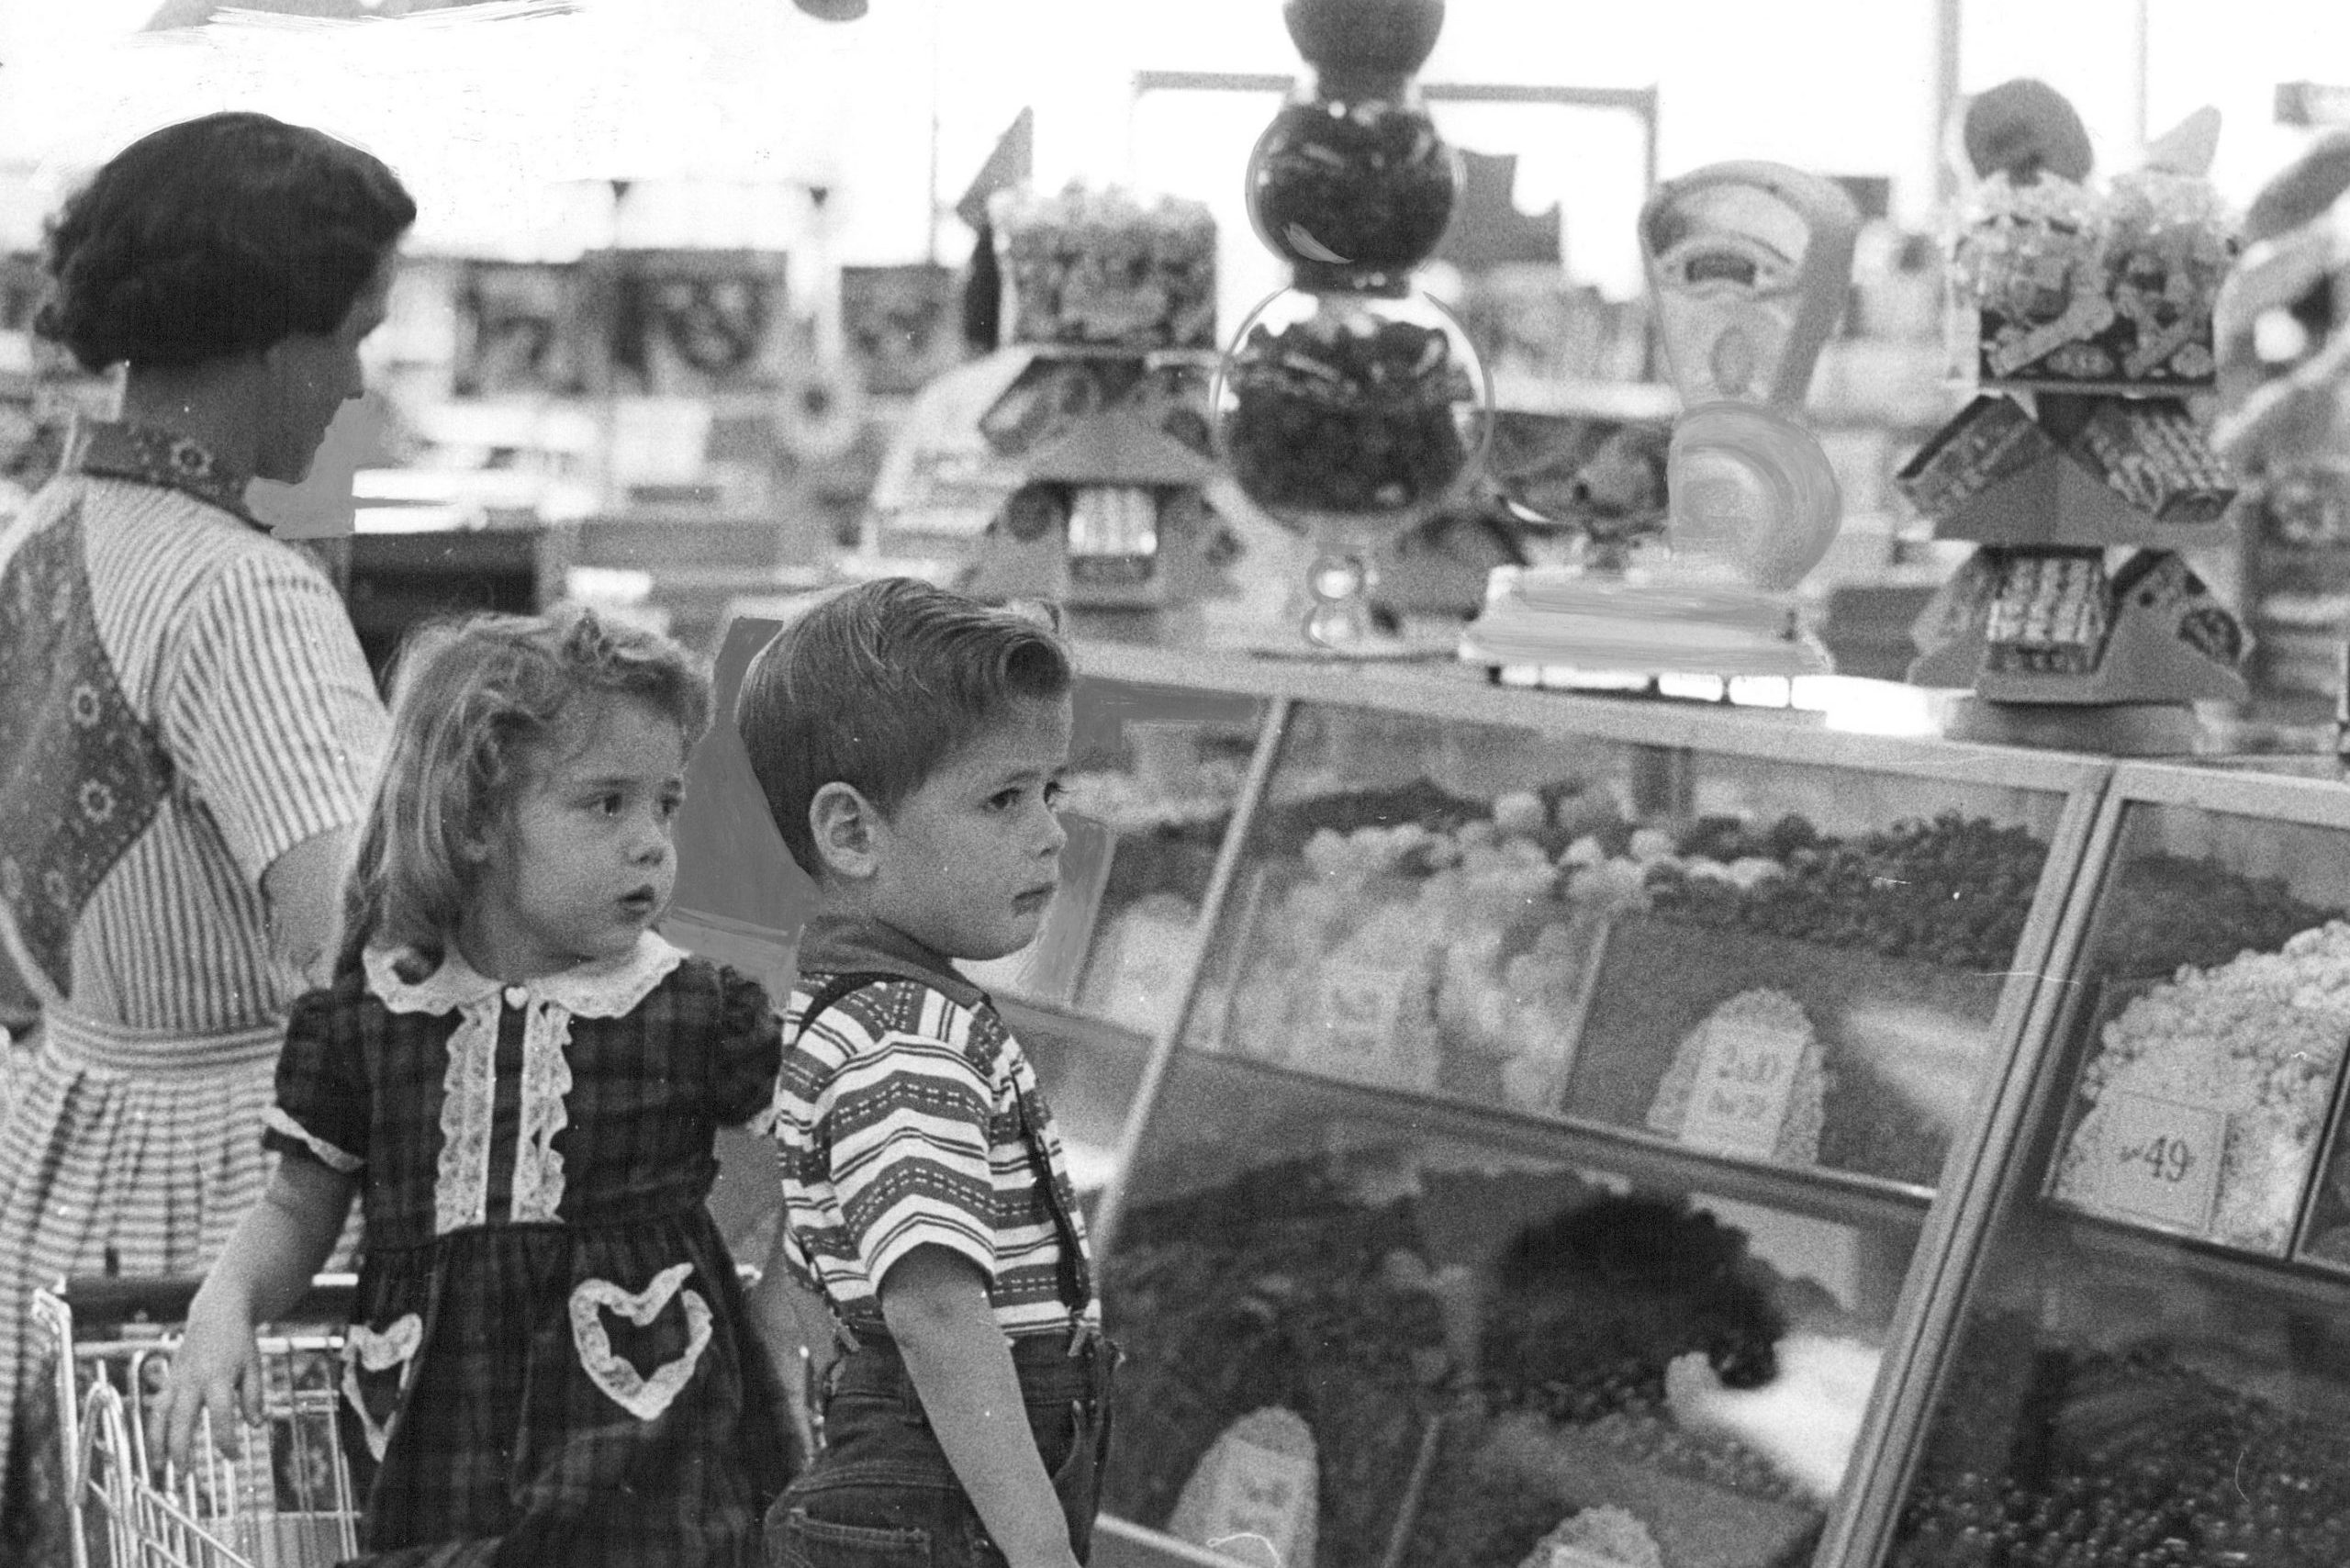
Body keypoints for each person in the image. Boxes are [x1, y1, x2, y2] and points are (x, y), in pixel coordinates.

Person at [159, 605, 793, 1566]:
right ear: (476, 819)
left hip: (652, 1435)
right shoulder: (370, 1018)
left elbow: (813, 1153)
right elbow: (298, 1203)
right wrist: (227, 1303)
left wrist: (780, 1302)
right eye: (605, 802)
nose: (652, 842)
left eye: (664, 803)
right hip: (438, 1441)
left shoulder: (691, 1007)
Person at [0, 112, 412, 1559]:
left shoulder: (38, 533)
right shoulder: (243, 596)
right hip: (230, 1201)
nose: (356, 380)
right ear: (271, 336)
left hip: (59, 1154)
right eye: (353, 333)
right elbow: (370, 948)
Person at [735, 577, 1113, 1568]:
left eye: (1049, 790)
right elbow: (936, 1311)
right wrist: (1040, 1551)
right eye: (1001, 798)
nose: (1048, 831)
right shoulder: (904, 1038)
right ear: (852, 833)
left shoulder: (877, 1005)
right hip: (937, 1507)